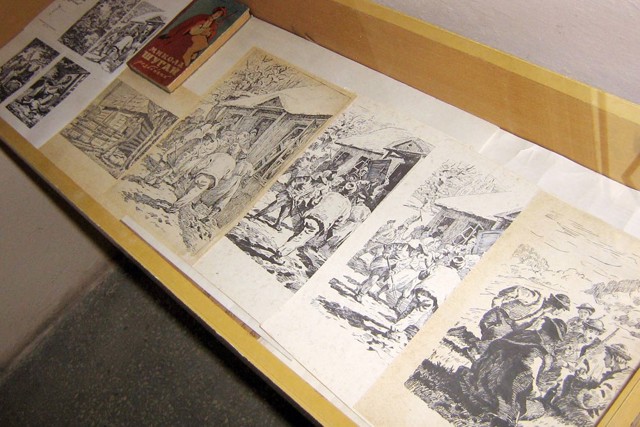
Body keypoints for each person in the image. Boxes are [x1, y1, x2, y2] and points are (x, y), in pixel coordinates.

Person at [458, 317, 568, 426]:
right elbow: (529, 375)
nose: (552, 344)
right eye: (554, 341)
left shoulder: (520, 334)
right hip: (497, 394)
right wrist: (537, 393)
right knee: (538, 409)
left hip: (478, 380)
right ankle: (503, 415)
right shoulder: (536, 351)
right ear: (550, 338)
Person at [156, 7, 227, 67]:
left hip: (197, 40)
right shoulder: (202, 16)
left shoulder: (214, 25)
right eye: (218, 13)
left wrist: (207, 33)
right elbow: (188, 24)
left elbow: (210, 36)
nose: (217, 15)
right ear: (215, 12)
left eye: (219, 15)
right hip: (187, 35)